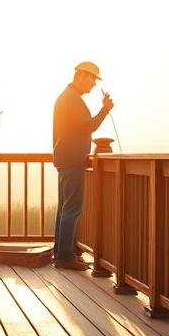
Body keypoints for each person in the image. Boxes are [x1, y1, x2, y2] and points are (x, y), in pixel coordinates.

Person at [52, 61, 114, 271]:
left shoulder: (68, 97)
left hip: (66, 158)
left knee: (64, 208)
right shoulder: (71, 99)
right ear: (81, 76)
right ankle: (64, 257)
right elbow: (87, 126)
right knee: (71, 208)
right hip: (72, 158)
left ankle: (61, 252)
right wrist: (105, 110)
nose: (94, 85)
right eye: (92, 80)